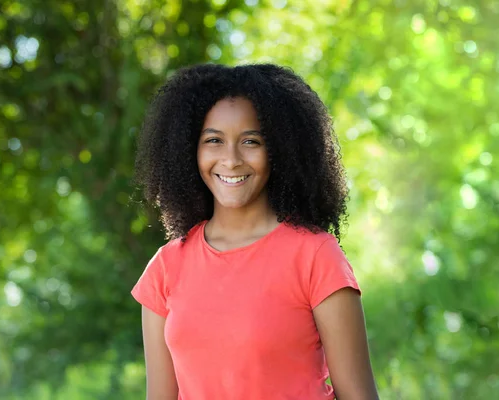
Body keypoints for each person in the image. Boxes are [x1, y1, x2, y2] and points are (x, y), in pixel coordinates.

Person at [131, 63, 379, 400]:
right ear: (189, 150)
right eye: (214, 140)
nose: (231, 159)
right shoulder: (166, 267)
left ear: (279, 150)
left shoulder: (316, 256)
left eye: (251, 141)